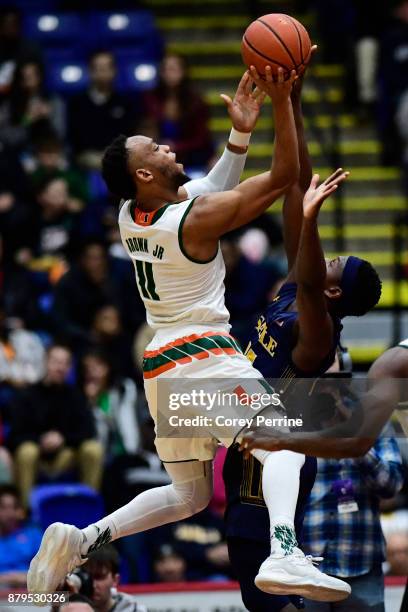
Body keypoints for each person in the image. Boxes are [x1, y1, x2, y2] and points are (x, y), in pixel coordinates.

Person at [28, 66, 348, 601]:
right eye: (154, 148)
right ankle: (285, 552)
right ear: (146, 175)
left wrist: (240, 135)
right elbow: (285, 175)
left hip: (161, 362)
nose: (165, 145)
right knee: (288, 444)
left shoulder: (134, 214)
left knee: (190, 494)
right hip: (201, 355)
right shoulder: (191, 222)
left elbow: (208, 189)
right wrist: (283, 96)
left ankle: (81, 539)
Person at [222, 72, 380, 612]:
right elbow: (295, 183)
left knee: (268, 601)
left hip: (270, 472)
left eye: (334, 262)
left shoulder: (319, 334)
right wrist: (291, 98)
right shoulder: (294, 289)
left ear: (335, 288)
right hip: (249, 444)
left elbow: (312, 279)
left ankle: (285, 552)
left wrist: (311, 225)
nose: (323, 256)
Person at [303, 433, 404, 612]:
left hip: (361, 564)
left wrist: (356, 440)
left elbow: (392, 486)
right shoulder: (297, 424)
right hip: (304, 567)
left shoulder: (376, 424)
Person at [8, 344, 103, 508]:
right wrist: (41, 441)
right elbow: (16, 435)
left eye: (65, 363)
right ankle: (27, 510)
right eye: (56, 362)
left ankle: (88, 506)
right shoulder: (27, 395)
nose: (60, 368)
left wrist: (63, 438)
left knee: (93, 449)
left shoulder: (76, 396)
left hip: (67, 455)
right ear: (46, 362)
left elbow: (89, 431)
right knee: (27, 451)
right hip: (37, 454)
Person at [68, 51, 139, 170]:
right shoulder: (77, 103)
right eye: (99, 68)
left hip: (116, 157)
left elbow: (128, 136)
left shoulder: (125, 102)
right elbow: (75, 137)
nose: (103, 72)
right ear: (90, 72)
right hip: (87, 157)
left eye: (107, 68)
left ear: (114, 71)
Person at [143, 53, 214, 170]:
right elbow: (145, 130)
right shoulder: (150, 99)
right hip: (157, 157)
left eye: (174, 69)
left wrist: (177, 147)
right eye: (166, 69)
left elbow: (201, 138)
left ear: (183, 71)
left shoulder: (196, 101)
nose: (169, 74)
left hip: (192, 157)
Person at [0, 484, 42, 587]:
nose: (9, 513)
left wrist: (14, 578)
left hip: (30, 593)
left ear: (20, 511)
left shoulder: (34, 536)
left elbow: (46, 573)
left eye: (13, 507)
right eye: (3, 508)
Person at [82, 545, 146, 612]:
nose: (93, 585)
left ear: (115, 580)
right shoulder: (73, 605)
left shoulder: (133, 609)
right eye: (87, 577)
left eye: (99, 577)